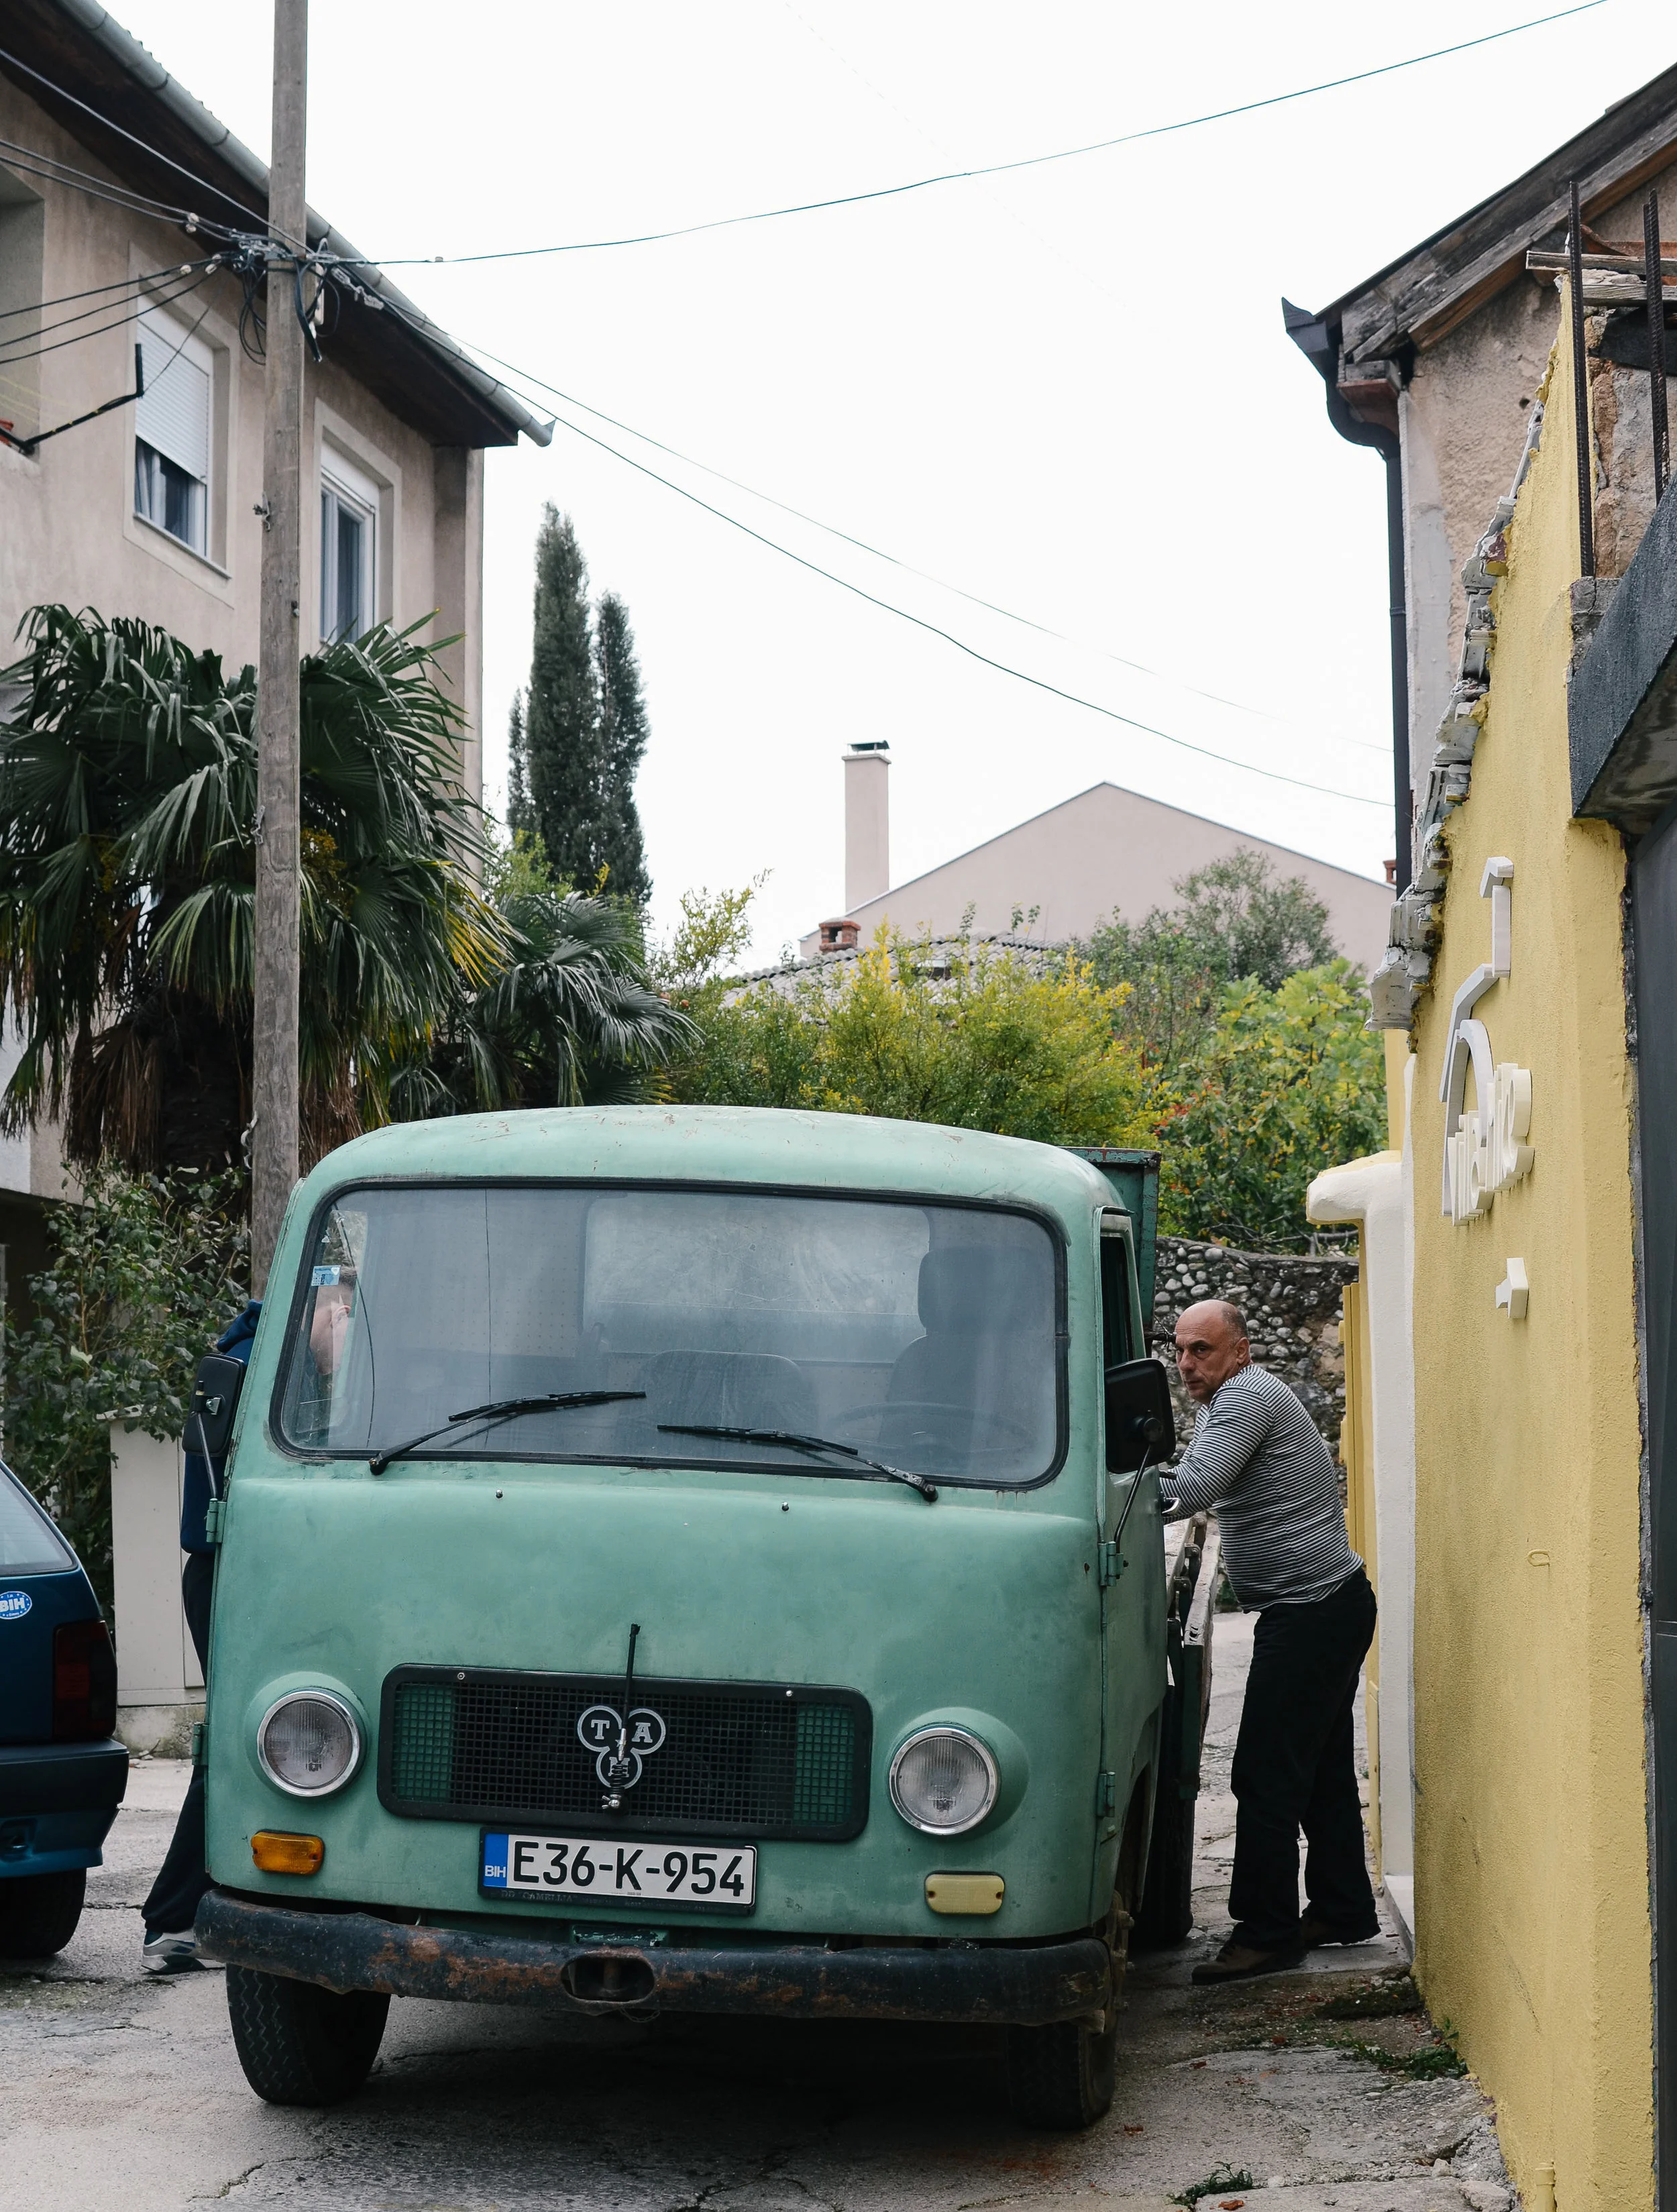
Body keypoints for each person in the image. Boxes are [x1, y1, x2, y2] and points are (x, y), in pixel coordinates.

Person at [1162, 1298, 1379, 1983]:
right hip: (1328, 1604)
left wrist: (1100, 1486)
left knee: (1262, 1775)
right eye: (1180, 1348)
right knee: (1315, 1772)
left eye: (1201, 1349)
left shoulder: (1246, 1398)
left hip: (1311, 1611)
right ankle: (1341, 1908)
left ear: (1239, 1350)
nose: (1186, 1362)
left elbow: (1190, 1488)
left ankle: (1266, 1932)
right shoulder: (1232, 1399)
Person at [140, 1298, 261, 1972]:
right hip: (226, 1575)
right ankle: (173, 1917)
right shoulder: (254, 1367)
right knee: (233, 1748)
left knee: (252, 1745)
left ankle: (201, 1907)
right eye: (338, 1307)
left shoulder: (257, 1357)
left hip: (233, 1575)